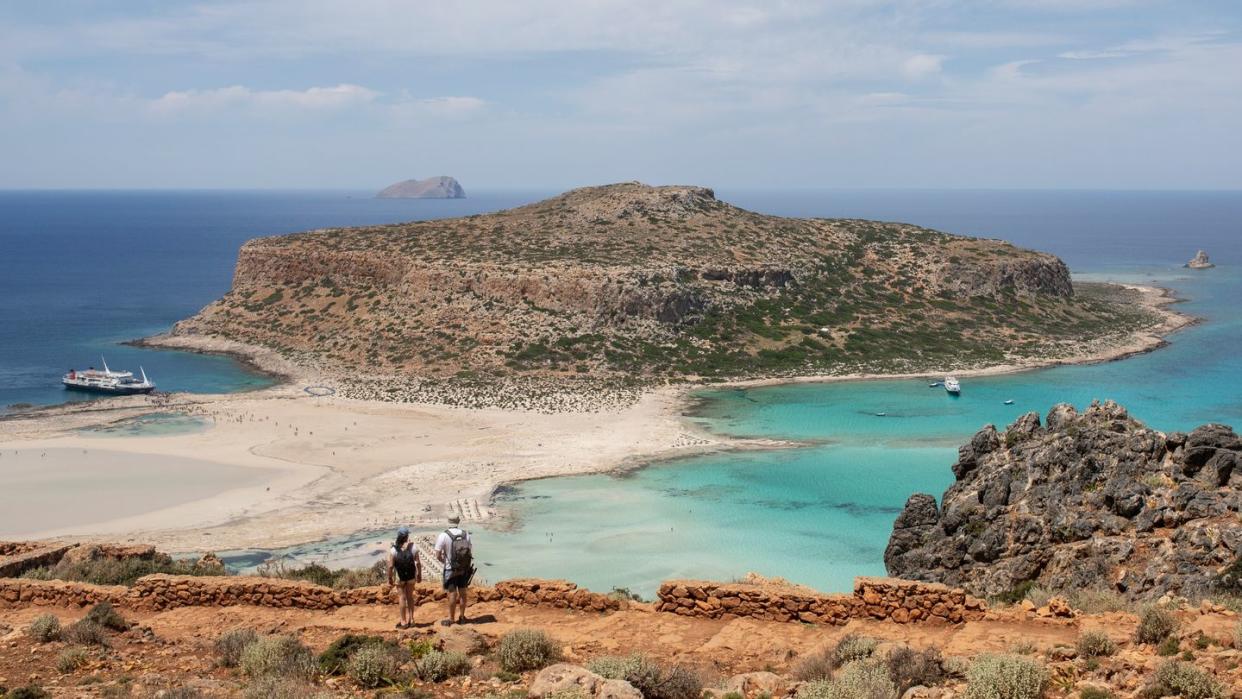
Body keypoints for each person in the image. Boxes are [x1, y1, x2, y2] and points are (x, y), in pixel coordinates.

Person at [434, 515, 474, 626]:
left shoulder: (443, 535)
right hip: (463, 569)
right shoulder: (466, 534)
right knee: (463, 593)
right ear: (458, 521)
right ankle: (462, 617)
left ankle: (451, 619)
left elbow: (437, 554)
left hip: (450, 569)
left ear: (448, 521)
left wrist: (445, 562)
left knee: (452, 594)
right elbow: (469, 551)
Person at [386, 527, 421, 629]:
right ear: (407, 537)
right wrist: (419, 575)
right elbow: (418, 563)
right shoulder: (413, 547)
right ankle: (412, 619)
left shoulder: (393, 550)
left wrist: (390, 578)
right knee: (410, 597)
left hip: (400, 578)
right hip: (411, 576)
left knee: (402, 598)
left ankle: (403, 622)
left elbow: (391, 566)